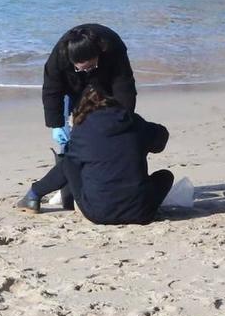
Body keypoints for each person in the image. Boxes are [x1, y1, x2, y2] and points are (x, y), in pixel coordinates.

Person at [18, 23, 138, 213]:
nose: (86, 70)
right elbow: (51, 90)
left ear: (98, 54)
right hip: (72, 89)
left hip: (106, 85)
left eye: (91, 66)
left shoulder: (113, 48)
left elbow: (124, 85)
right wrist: (57, 124)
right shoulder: (60, 57)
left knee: (107, 137)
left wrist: (122, 119)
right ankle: (69, 193)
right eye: (81, 68)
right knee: (75, 146)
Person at [59, 86, 173, 226]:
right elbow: (160, 141)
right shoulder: (133, 121)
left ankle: (46, 196)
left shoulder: (81, 129)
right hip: (141, 212)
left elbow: (68, 166)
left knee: (70, 162)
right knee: (166, 176)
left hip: (97, 213)